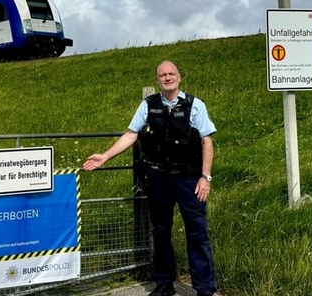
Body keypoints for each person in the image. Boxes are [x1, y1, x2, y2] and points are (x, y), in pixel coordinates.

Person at [82, 61, 217, 296]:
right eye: (163, 75)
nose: (167, 78)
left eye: (171, 74)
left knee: (197, 231)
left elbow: (207, 141)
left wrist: (205, 177)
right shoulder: (148, 105)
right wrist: (104, 157)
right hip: (158, 177)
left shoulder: (195, 105)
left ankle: (204, 288)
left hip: (189, 179)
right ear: (157, 80)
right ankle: (165, 283)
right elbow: (131, 134)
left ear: (179, 77)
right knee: (161, 230)